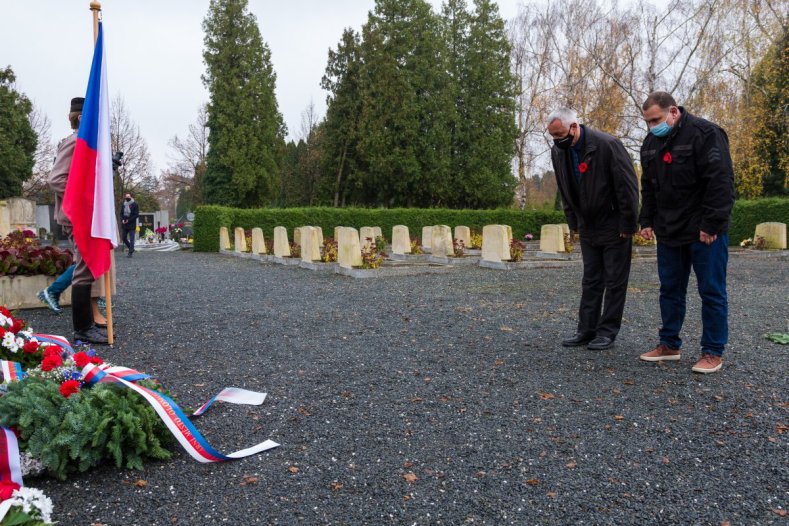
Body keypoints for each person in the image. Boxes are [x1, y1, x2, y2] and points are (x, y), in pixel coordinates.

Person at [637, 91, 735, 374]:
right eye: (647, 121)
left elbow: (721, 181)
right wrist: (647, 220)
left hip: (703, 232)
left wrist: (711, 224)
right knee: (670, 289)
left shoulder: (706, 134)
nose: (652, 126)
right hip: (669, 231)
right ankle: (669, 344)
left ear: (674, 112)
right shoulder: (650, 143)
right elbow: (650, 186)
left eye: (656, 119)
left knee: (712, 291)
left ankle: (713, 351)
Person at [547, 108, 639, 350]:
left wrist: (628, 223)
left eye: (560, 135)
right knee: (591, 280)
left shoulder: (607, 145)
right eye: (553, 137)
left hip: (614, 224)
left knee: (615, 280)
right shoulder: (559, 152)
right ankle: (586, 330)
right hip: (587, 225)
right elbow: (565, 188)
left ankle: (607, 331)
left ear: (574, 127)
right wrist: (574, 224)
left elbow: (627, 186)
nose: (557, 141)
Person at [47, 97, 108, 344]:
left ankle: (87, 324)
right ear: (82, 118)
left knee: (87, 266)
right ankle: (82, 328)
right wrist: (85, 197)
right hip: (78, 216)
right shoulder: (74, 143)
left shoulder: (82, 143)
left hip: (85, 216)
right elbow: (56, 179)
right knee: (83, 269)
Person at [120, 192, 139, 257]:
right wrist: (122, 219)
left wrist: (129, 220)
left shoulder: (135, 204)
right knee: (124, 237)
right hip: (124, 224)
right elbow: (121, 213)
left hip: (131, 224)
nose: (127, 198)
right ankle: (131, 248)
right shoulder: (124, 204)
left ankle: (130, 253)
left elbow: (136, 215)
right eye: (126, 197)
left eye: (128, 196)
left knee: (131, 238)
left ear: (131, 197)